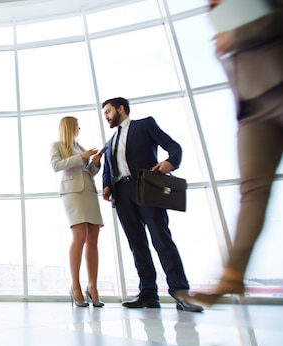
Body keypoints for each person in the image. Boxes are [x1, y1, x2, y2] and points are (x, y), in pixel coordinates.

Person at [189, 0, 283, 307]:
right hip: (252, 108)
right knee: (252, 192)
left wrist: (237, 36)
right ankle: (233, 274)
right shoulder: (217, 8)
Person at [101, 97, 203, 313]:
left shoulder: (145, 125)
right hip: (122, 195)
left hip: (146, 187)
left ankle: (180, 292)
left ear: (121, 109)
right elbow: (108, 169)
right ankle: (148, 293)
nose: (107, 117)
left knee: (161, 238)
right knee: (137, 244)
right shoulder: (110, 142)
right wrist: (107, 186)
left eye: (108, 111)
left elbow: (173, 146)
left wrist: (170, 162)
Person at [50, 116, 104, 307]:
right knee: (79, 236)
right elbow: (56, 166)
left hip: (89, 190)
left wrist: (95, 163)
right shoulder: (57, 146)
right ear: (69, 127)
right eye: (77, 126)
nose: (79, 128)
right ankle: (75, 286)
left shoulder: (81, 148)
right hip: (72, 191)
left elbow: (88, 171)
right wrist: (81, 157)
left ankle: (93, 287)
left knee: (93, 238)